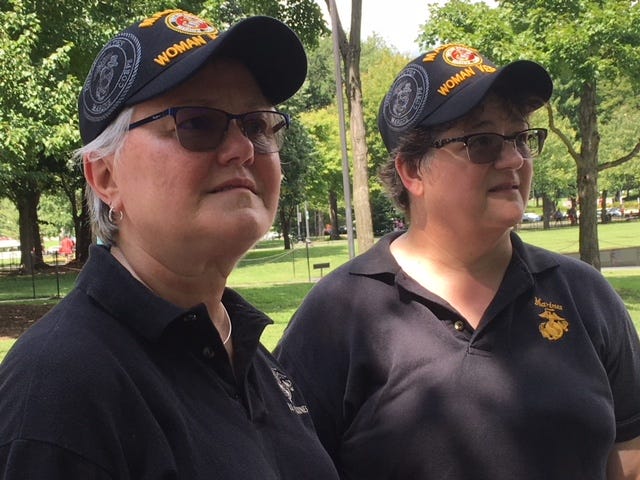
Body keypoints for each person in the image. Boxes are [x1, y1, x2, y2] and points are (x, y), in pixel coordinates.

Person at [0, 9, 339, 479]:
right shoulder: (62, 386)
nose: (242, 148)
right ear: (105, 176)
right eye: (198, 123)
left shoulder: (247, 354)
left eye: (257, 126)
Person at [275, 44, 640, 479]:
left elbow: (629, 452)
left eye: (521, 137)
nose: (514, 159)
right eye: (482, 142)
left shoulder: (584, 294)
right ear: (412, 171)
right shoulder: (338, 316)